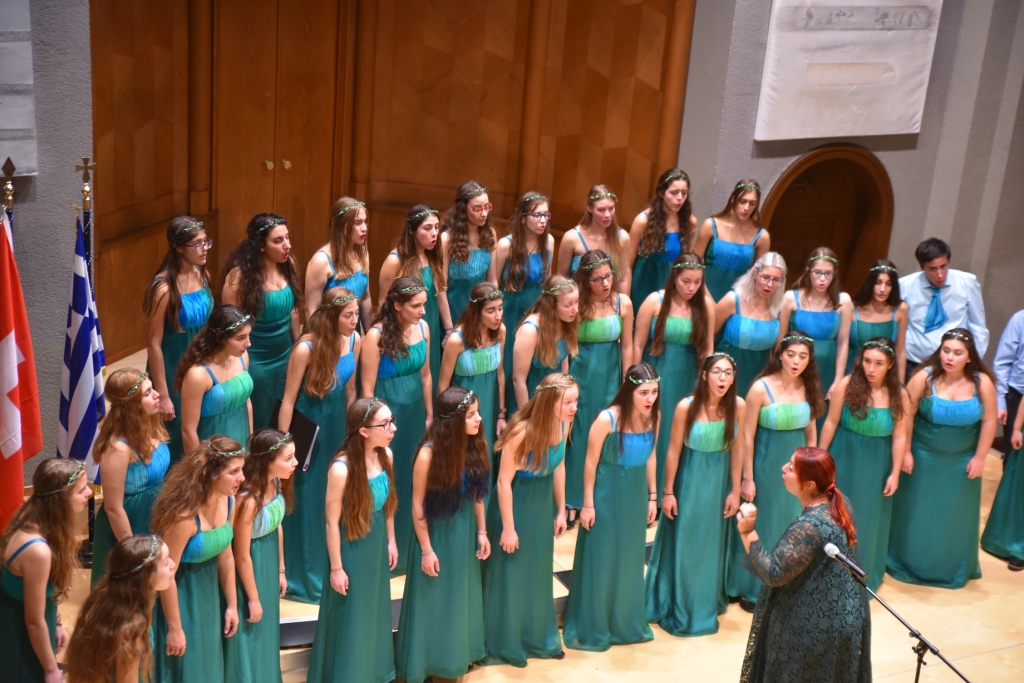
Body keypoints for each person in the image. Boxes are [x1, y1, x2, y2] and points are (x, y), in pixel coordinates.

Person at [736, 448, 871, 683]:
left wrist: (747, 532)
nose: (783, 469)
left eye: (790, 468)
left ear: (809, 484)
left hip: (816, 630)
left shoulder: (809, 527)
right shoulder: (840, 502)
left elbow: (773, 573)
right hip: (846, 618)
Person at [395, 388, 492, 683]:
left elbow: (477, 494)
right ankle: (429, 662)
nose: (478, 419)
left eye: (477, 412)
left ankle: (456, 657)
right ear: (454, 420)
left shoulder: (475, 445)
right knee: (434, 599)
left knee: (459, 597)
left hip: (463, 534)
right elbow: (417, 506)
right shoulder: (428, 454)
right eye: (471, 414)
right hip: (437, 535)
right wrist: (426, 549)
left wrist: (482, 531)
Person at [889, 328, 997, 588]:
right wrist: (907, 452)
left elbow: (990, 421)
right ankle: (910, 562)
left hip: (962, 462)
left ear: (969, 357)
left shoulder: (982, 383)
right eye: (946, 351)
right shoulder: (924, 377)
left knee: (954, 517)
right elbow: (906, 415)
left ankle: (950, 567)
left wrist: (980, 457)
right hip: (923, 458)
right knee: (918, 512)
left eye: (957, 353)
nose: (949, 357)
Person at [482, 373, 577, 666]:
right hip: (516, 508)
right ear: (549, 402)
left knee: (537, 574)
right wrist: (508, 528)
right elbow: (503, 483)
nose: (574, 408)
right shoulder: (521, 433)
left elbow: (559, 467)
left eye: (576, 401)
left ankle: (539, 637)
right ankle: (506, 641)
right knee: (512, 575)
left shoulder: (564, 424)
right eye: (568, 402)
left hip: (541, 509)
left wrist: (560, 510)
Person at [646, 352, 744, 636]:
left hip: (718, 487)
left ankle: (704, 601)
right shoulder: (686, 407)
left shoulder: (738, 406)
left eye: (728, 373)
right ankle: (681, 604)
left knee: (710, 545)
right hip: (689, 485)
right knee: (687, 543)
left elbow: (738, 450)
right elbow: (673, 451)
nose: (722, 378)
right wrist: (667, 492)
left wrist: (735, 490)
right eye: (716, 372)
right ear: (704, 375)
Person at [562, 364, 659, 651]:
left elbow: (651, 456)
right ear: (630, 391)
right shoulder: (607, 419)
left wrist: (652, 496)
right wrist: (587, 504)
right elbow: (590, 463)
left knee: (629, 558)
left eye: (654, 392)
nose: (650, 399)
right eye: (644, 393)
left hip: (635, 496)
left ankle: (623, 622)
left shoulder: (654, 416)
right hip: (605, 496)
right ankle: (595, 625)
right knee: (602, 558)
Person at [306, 398, 399, 683]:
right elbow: (331, 522)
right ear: (363, 431)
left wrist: (391, 540)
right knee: (352, 615)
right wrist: (336, 568)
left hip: (376, 544)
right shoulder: (341, 468)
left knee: (374, 609)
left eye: (392, 420)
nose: (393, 428)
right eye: (385, 424)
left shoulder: (386, 455)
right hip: (351, 549)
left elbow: (387, 505)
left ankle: (373, 672)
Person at [727, 333, 822, 609]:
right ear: (780, 355)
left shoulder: (808, 387)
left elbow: (811, 432)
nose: (796, 361)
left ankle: (785, 585)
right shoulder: (760, 388)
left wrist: (812, 472)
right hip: (766, 467)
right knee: (764, 523)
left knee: (790, 523)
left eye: (802, 356)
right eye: (791, 354)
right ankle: (752, 588)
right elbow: (746, 437)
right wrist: (748, 478)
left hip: (797, 471)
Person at [278, 286, 360, 602]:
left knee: (334, 494)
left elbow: (351, 392)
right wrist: (282, 448)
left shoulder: (355, 340)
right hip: (309, 426)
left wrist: (353, 434)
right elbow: (288, 401)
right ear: (331, 316)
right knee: (309, 496)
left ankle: (334, 564)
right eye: (348, 315)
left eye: (356, 314)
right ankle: (306, 574)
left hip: (338, 424)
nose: (355, 321)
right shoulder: (305, 349)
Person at [151, 436, 246, 683]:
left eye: (241, 470)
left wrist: (232, 605)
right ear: (211, 473)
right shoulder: (183, 517)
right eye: (234, 472)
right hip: (182, 599)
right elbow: (166, 575)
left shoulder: (229, 500)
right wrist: (174, 628)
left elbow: (226, 555)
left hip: (210, 597)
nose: (242, 478)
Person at [819, 338, 908, 591]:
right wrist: (820, 457)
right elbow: (830, 422)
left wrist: (895, 473)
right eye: (867, 361)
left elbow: (900, 436)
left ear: (890, 365)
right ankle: (827, 576)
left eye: (878, 363)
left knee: (869, 518)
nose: (871, 368)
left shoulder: (899, 394)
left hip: (877, 464)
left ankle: (859, 575)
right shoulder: (847, 385)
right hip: (845, 456)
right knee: (838, 516)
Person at [362, 277, 433, 575]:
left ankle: (414, 545)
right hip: (387, 419)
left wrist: (429, 415)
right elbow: (367, 391)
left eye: (424, 305)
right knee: (392, 477)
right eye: (416, 306)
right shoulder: (375, 336)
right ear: (396, 305)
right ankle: (389, 549)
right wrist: (376, 429)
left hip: (415, 414)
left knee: (415, 477)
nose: (422, 311)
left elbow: (426, 376)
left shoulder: (424, 328)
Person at [0, 459, 91, 683]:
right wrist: (52, 670)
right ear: (60, 500)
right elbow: (33, 621)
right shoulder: (37, 551)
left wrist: (56, 622)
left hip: (37, 622)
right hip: (21, 637)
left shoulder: (35, 521)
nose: (89, 493)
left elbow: (39, 594)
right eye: (81, 490)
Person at [635, 253, 714, 504]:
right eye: (686, 281)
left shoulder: (705, 306)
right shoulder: (654, 301)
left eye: (697, 282)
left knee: (677, 434)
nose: (692, 288)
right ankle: (646, 495)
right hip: (654, 378)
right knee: (652, 432)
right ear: (674, 277)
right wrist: (634, 383)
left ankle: (669, 495)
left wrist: (707, 387)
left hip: (687, 380)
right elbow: (637, 345)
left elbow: (707, 350)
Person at [224, 430, 297, 683]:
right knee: (252, 629)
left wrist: (281, 569)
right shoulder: (247, 501)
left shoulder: (275, 482)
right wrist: (253, 599)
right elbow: (241, 556)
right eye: (288, 458)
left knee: (268, 630)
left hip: (268, 563)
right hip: (251, 569)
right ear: (268, 461)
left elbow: (277, 525)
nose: (295, 463)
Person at [565, 250, 633, 512]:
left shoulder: (622, 303)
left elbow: (627, 346)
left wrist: (627, 382)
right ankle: (573, 499)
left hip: (610, 378)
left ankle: (600, 497)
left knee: (606, 434)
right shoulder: (577, 306)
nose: (605, 283)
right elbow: (566, 345)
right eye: (597, 279)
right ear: (585, 280)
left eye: (608, 276)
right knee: (579, 433)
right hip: (581, 377)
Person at [90, 369, 171, 587]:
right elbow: (113, 508)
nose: (157, 394)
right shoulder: (117, 448)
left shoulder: (152, 426)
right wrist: (134, 552)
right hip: (129, 525)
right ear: (131, 405)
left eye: (152, 388)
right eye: (147, 393)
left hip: (155, 516)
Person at [222, 213, 302, 430]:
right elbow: (229, 327)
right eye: (278, 240)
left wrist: (299, 346)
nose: (287, 245)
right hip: (255, 359)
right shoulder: (239, 278)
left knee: (286, 415)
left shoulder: (287, 264)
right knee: (261, 420)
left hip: (286, 355)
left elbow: (293, 312)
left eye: (287, 237)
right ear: (260, 246)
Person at [144, 215, 214, 461]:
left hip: (201, 368)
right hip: (173, 374)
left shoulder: (203, 275)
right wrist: (163, 395)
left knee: (201, 429)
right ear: (178, 247)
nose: (204, 249)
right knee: (177, 439)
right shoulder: (163, 290)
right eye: (197, 244)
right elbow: (153, 344)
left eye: (206, 242)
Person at [64, 535, 176, 683]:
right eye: (166, 562)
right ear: (146, 576)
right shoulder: (132, 629)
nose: (173, 564)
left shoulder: (105, 595)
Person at [777, 247, 852, 430]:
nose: (822, 279)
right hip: (795, 366)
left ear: (835, 274)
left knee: (820, 418)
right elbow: (780, 341)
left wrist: (838, 379)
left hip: (826, 370)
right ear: (808, 271)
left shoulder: (843, 301)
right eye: (817, 272)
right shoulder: (790, 298)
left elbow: (843, 342)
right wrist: (779, 372)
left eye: (828, 274)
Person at [380, 204, 452, 387]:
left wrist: (448, 329)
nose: (434, 233)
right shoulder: (395, 261)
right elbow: (383, 302)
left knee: (429, 376)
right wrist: (390, 336)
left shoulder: (434, 255)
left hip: (430, 323)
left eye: (436, 227)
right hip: (403, 329)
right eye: (427, 228)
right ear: (411, 230)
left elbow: (440, 291)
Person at [437, 282, 507, 466]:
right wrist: (446, 423)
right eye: (490, 310)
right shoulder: (456, 340)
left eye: (500, 308)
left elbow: (500, 375)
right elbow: (443, 385)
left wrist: (501, 415)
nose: (498, 315)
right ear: (477, 311)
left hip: (489, 407)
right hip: (463, 412)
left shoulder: (500, 331)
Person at [899, 238, 988, 381]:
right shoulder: (905, 286)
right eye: (932, 269)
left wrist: (973, 362)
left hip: (953, 365)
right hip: (913, 364)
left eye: (943, 266)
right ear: (922, 267)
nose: (939, 274)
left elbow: (978, 326)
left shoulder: (967, 283)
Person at [496, 192, 554, 411]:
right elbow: (493, 283)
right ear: (522, 218)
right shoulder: (506, 245)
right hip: (509, 313)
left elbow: (548, 282)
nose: (543, 220)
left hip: (536, 313)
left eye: (546, 215)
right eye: (537, 215)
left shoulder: (549, 241)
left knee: (531, 367)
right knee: (510, 368)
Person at [177, 305, 254, 453]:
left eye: (248, 335)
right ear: (220, 338)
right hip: (213, 453)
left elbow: (247, 402)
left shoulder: (242, 356)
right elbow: (188, 431)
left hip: (241, 440)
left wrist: (250, 444)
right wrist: (198, 466)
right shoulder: (198, 375)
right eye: (241, 338)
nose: (248, 343)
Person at [983, 307, 1024, 570]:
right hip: (1017, 397)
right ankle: (1013, 540)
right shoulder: (1021, 318)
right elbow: (1003, 362)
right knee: (1014, 474)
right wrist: (1001, 403)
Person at [713, 252, 786, 397]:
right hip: (726, 375)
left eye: (776, 280)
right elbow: (709, 335)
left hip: (759, 377)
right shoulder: (732, 300)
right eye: (765, 277)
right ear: (754, 273)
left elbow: (778, 351)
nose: (769, 284)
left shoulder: (779, 308)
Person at [692, 179, 771, 302]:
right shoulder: (711, 225)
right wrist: (708, 300)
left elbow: (758, 278)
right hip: (703, 297)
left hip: (737, 301)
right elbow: (693, 266)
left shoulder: (762, 236)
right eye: (742, 201)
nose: (746, 208)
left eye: (752, 203)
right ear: (733, 199)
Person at [510, 274, 579, 414]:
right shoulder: (530, 330)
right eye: (568, 305)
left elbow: (564, 366)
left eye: (577, 302)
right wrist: (526, 418)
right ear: (552, 306)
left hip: (555, 402)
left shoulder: (565, 321)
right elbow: (518, 380)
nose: (575, 309)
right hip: (532, 402)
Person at [627, 169, 696, 308]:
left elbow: (684, 259)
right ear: (661, 193)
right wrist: (625, 297)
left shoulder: (689, 222)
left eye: (684, 193)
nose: (680, 198)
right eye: (674, 193)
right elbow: (627, 263)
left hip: (671, 285)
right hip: (643, 285)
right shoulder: (643, 221)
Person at [304, 197, 373, 329]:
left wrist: (370, 334)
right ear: (342, 225)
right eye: (358, 223)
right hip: (327, 333)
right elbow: (311, 310)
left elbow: (365, 297)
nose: (364, 228)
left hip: (352, 331)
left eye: (365, 222)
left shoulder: (363, 253)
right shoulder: (321, 261)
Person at [442, 180, 498, 322]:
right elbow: (441, 288)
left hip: (481, 312)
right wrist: (448, 327)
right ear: (463, 209)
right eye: (477, 209)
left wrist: (495, 310)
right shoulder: (447, 239)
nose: (484, 213)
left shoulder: (490, 233)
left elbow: (492, 280)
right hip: (453, 312)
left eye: (487, 207)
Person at [557, 184, 631, 292]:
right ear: (589, 208)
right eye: (601, 210)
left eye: (611, 208)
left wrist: (624, 301)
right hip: (579, 300)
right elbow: (561, 279)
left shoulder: (622, 238)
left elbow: (623, 278)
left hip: (609, 300)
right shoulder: (571, 238)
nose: (607, 215)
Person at [847, 259, 908, 378]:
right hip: (852, 373)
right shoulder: (852, 307)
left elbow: (900, 351)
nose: (882, 289)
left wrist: (900, 385)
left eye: (889, 284)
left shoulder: (901, 309)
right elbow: (842, 346)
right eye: (878, 282)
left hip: (883, 377)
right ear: (870, 283)